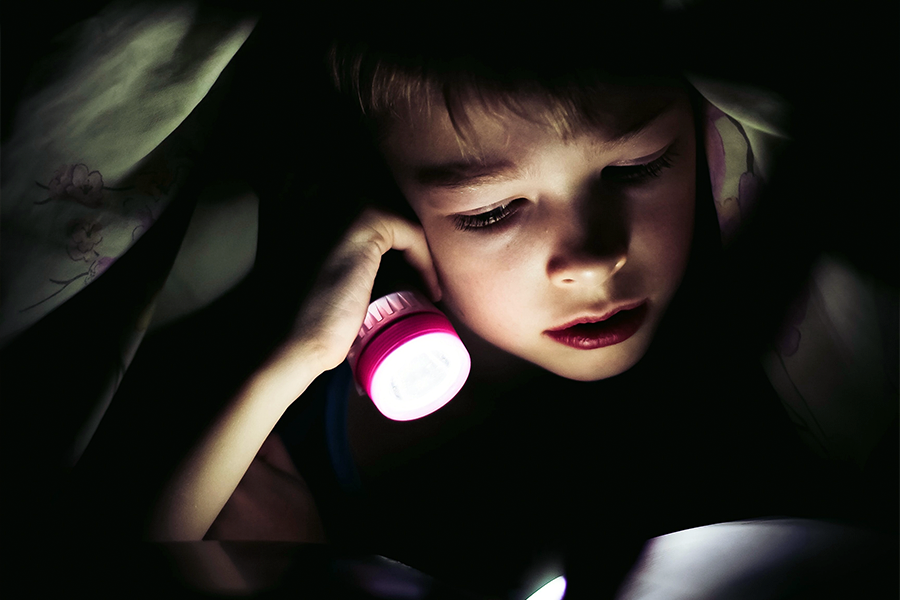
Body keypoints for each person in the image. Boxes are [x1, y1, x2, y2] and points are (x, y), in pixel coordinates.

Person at [148, 4, 897, 595]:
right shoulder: (296, 431)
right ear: (391, 209)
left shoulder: (762, 354)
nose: (595, 258)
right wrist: (294, 361)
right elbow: (149, 562)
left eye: (638, 168)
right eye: (491, 211)